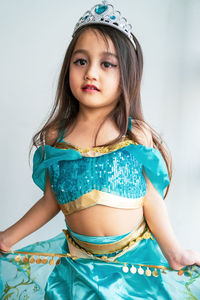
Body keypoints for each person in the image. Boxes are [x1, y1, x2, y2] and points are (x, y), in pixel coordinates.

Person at [0, 1, 200, 299]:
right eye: (81, 61)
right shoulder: (58, 138)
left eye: (107, 64)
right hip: (78, 267)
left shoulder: (134, 134)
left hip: (136, 269)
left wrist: (173, 252)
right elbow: (51, 201)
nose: (91, 73)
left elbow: (150, 197)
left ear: (126, 75)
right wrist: (7, 237)